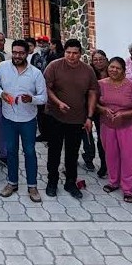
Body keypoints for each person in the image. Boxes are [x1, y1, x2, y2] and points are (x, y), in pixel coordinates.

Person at [43, 39, 100, 199]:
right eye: (68, 52)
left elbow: (92, 93)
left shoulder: (88, 71)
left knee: (72, 153)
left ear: (80, 54)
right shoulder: (54, 66)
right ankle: (52, 181)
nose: (71, 56)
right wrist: (58, 102)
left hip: (77, 119)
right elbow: (46, 87)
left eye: (75, 53)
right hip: (55, 116)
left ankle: (70, 182)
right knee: (54, 151)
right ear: (65, 52)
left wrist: (89, 117)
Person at [0, 39, 47, 202]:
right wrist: (1, 94)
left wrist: (32, 99)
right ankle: (12, 183)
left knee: (29, 152)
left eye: (21, 53)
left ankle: (32, 186)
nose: (17, 56)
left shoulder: (36, 73)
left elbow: (43, 98)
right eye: (14, 52)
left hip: (28, 120)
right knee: (11, 151)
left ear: (27, 53)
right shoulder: (3, 67)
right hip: (8, 117)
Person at [97, 57, 132, 203]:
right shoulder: (100, 84)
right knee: (111, 156)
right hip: (107, 126)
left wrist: (124, 114)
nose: (114, 70)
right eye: (111, 67)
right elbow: (93, 103)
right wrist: (103, 109)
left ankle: (128, 189)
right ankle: (113, 181)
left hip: (129, 127)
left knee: (130, 158)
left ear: (124, 70)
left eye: (118, 68)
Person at [83, 49, 109, 176]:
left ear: (106, 59)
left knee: (103, 139)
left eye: (101, 59)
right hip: (90, 108)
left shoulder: (113, 71)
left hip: (107, 111)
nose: (98, 62)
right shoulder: (89, 73)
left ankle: (106, 164)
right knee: (88, 136)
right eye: (95, 60)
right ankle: (89, 159)